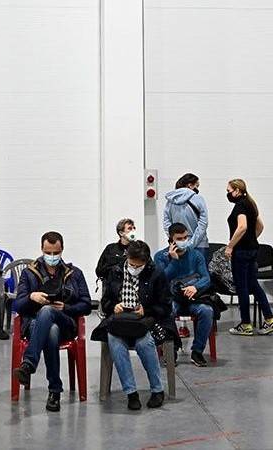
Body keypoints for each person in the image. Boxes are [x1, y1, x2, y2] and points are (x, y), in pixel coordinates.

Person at [12, 232, 92, 412]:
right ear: (42, 249)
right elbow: (17, 305)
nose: (52, 257)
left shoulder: (74, 273)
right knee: (51, 331)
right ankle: (54, 391)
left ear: (62, 250)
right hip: (34, 325)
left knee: (49, 313)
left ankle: (29, 364)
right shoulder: (28, 273)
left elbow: (87, 304)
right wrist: (32, 297)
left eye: (56, 253)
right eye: (49, 252)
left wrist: (66, 308)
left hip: (66, 323)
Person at [90, 240, 172, 410]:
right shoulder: (116, 271)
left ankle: (157, 390)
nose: (135, 268)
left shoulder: (156, 273)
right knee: (115, 342)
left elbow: (165, 306)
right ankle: (131, 392)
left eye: (139, 265)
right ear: (127, 257)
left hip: (145, 322)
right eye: (133, 264)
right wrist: (114, 306)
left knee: (145, 343)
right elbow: (105, 302)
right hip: (119, 321)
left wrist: (146, 310)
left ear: (146, 261)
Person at [225, 179, 273, 336]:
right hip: (252, 250)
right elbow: (260, 226)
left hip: (241, 252)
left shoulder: (241, 205)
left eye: (229, 190)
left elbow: (242, 227)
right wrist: (251, 239)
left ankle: (245, 324)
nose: (228, 194)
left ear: (237, 190)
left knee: (242, 288)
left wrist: (231, 245)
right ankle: (270, 319)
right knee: (253, 284)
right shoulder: (251, 204)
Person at [154, 223, 214, 367]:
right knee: (167, 312)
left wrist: (195, 286)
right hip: (172, 299)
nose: (183, 240)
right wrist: (174, 261)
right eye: (179, 238)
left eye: (185, 237)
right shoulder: (160, 256)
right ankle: (171, 350)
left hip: (193, 298)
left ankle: (197, 351)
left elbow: (206, 278)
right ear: (171, 239)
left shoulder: (196, 255)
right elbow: (161, 281)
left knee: (207, 311)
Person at [163, 173, 209, 260]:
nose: (197, 189)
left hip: (177, 245)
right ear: (190, 185)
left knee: (179, 272)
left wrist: (174, 238)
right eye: (197, 186)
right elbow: (203, 223)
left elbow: (166, 222)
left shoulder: (170, 200)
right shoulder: (198, 198)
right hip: (200, 245)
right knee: (201, 272)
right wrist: (191, 243)